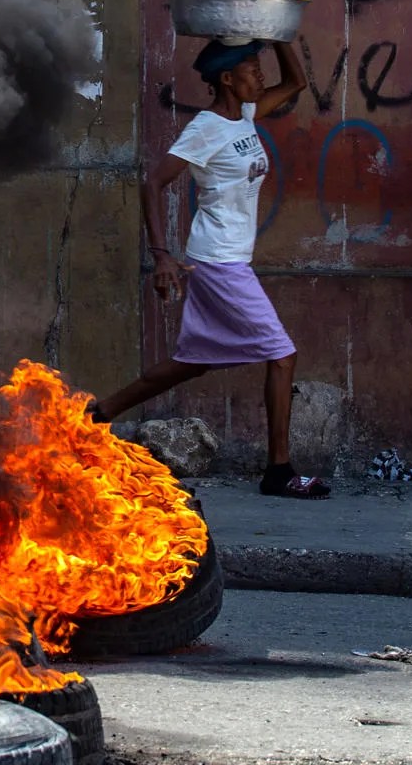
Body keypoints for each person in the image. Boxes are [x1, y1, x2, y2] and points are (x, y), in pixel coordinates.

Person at [89, 38, 329, 499]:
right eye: (251, 70)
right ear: (226, 80)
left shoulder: (243, 116)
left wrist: (277, 30)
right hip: (219, 261)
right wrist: (161, 254)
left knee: (192, 363)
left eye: (259, 69)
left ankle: (98, 415)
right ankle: (279, 472)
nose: (259, 77)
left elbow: (296, 81)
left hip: (227, 258)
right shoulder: (205, 129)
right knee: (282, 355)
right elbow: (153, 183)